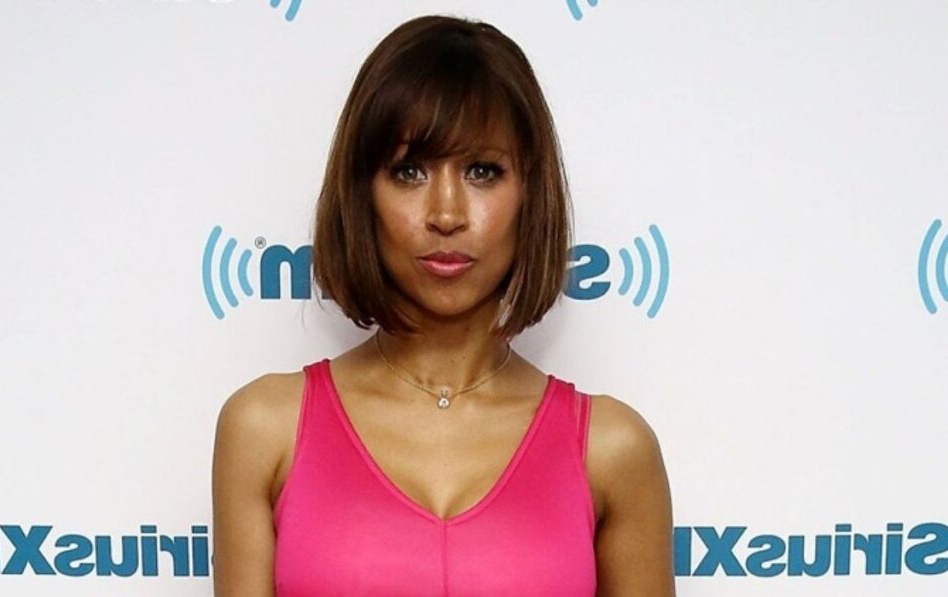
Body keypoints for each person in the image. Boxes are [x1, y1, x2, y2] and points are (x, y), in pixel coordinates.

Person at [212, 14, 675, 596]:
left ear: (530, 192)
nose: (447, 213)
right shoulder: (264, 428)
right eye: (409, 171)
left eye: (482, 171)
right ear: (362, 194)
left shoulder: (612, 450)